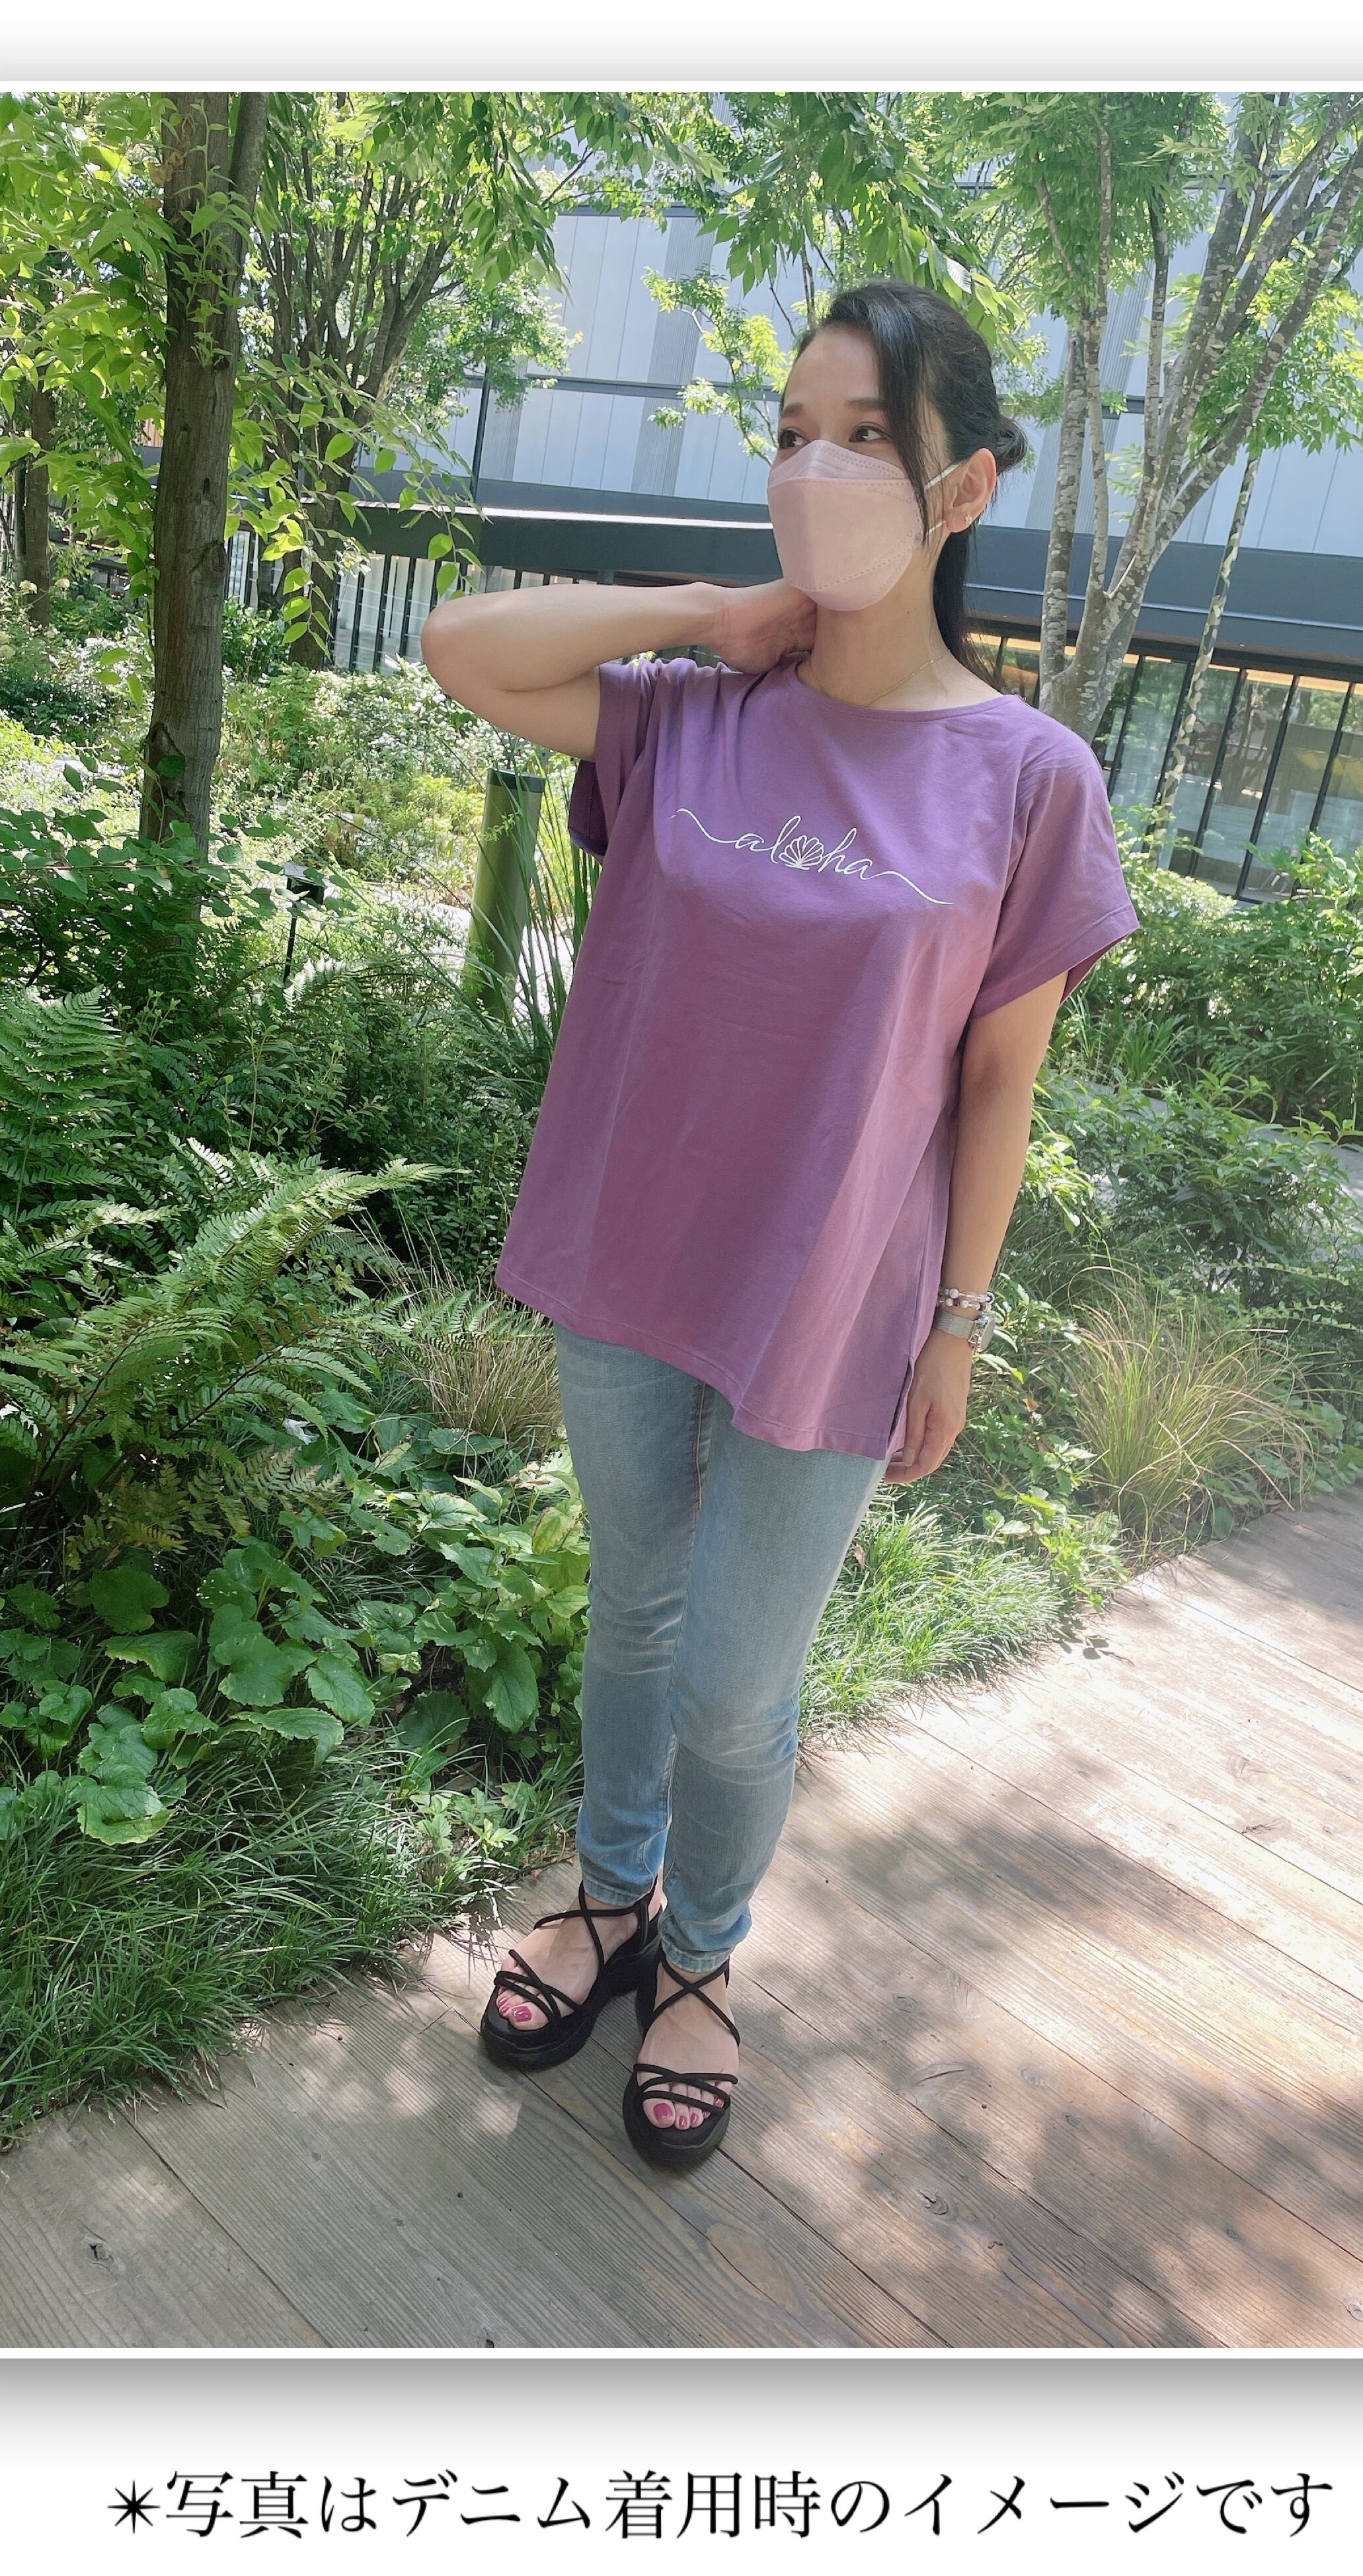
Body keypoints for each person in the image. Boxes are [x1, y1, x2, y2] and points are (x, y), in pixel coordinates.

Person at [420, 277, 1138, 2173]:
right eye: (794, 432)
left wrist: (961, 1322)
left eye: (869, 438)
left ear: (964, 488)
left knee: (738, 1684)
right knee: (632, 1614)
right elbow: (459, 646)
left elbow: (999, 1082)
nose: (819, 468)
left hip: (835, 1293)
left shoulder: (1029, 779)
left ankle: (704, 1954)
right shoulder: (691, 715)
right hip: (630, 1252)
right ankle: (610, 1898)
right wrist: (706, 613)